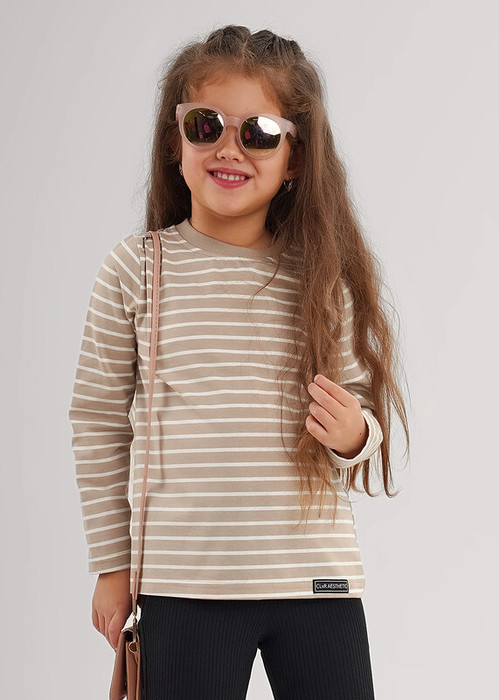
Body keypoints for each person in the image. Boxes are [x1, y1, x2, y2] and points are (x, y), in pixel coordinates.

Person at [69, 24, 409, 700]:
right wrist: (111, 566)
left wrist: (354, 434)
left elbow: (362, 417)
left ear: (295, 158)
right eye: (206, 126)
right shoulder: (138, 269)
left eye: (259, 133)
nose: (229, 148)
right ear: (176, 141)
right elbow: (98, 423)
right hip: (184, 583)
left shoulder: (319, 280)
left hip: (315, 579)